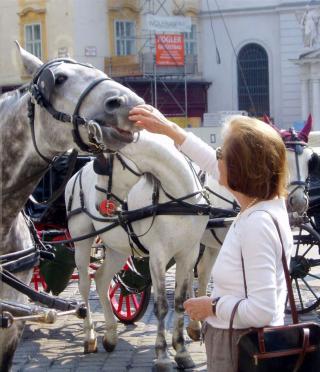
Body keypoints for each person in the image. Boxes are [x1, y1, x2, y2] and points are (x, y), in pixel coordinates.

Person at [128, 105, 293, 372]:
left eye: (221, 154)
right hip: (239, 341)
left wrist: (212, 306)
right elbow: (207, 162)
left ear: (240, 169)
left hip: (239, 347)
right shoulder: (267, 204)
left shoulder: (258, 224)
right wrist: (169, 129)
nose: (215, 161)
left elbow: (262, 310)